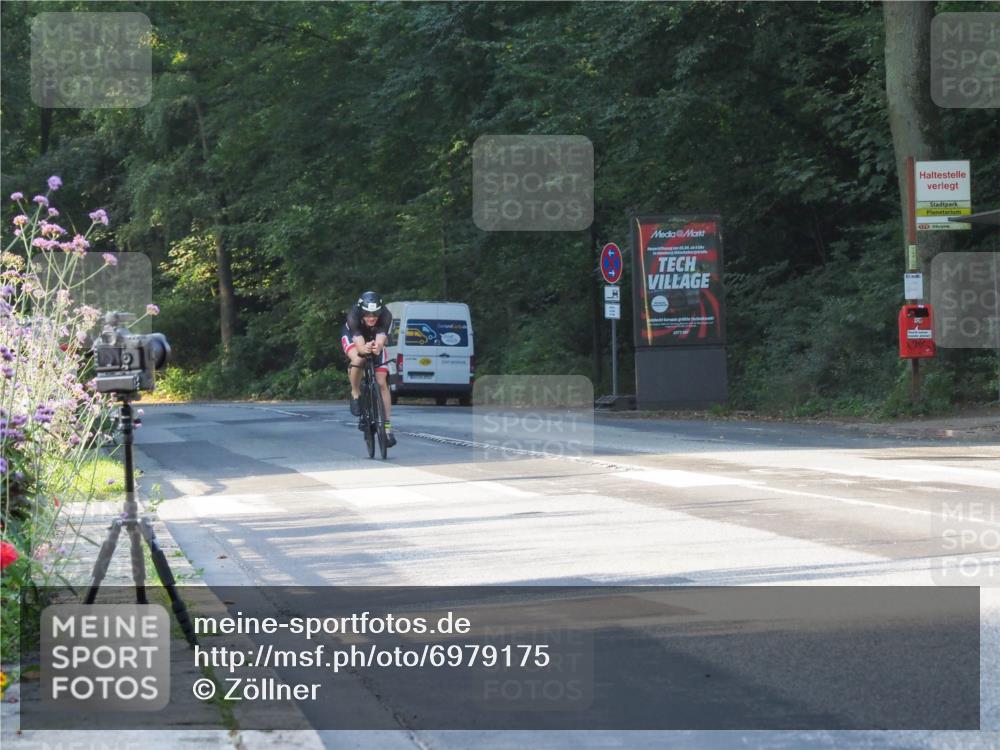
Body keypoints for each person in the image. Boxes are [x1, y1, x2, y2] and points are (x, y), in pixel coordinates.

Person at [341, 291, 396, 447]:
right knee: (358, 358)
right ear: (361, 312)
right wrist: (364, 348)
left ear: (380, 311)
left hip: (374, 337)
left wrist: (377, 347)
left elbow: (381, 339)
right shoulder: (353, 315)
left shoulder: (386, 315)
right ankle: (355, 391)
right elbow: (358, 343)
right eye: (367, 315)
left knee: (381, 382)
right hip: (354, 336)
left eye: (375, 314)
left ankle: (387, 429)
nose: (371, 318)